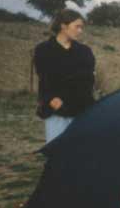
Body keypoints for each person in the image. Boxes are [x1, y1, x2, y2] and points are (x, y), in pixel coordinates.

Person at [33, 9, 95, 143]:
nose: (80, 31)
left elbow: (88, 81)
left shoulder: (85, 52)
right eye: (77, 27)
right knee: (56, 152)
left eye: (81, 27)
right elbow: (44, 79)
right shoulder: (43, 50)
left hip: (82, 110)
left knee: (80, 152)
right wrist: (52, 100)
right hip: (56, 111)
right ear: (63, 26)